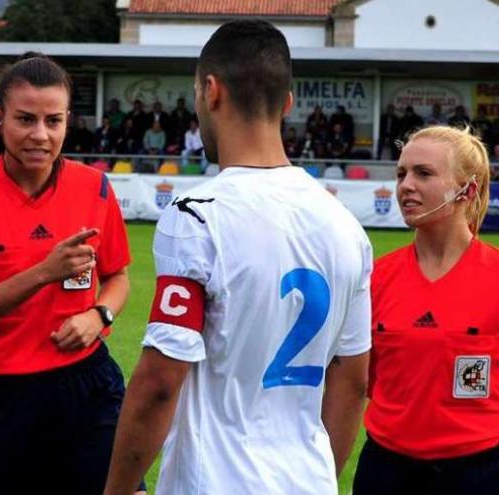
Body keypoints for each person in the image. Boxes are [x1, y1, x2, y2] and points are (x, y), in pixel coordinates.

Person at [104, 20, 372, 495]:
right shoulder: (347, 227)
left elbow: (161, 381)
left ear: (210, 91)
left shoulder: (197, 217)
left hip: (215, 481)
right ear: (288, 103)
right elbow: (352, 383)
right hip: (307, 482)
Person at [0, 53, 142, 495]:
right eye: (25, 119)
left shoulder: (95, 188)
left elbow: (118, 277)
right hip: (1, 397)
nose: (40, 135)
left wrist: (99, 316)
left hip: (87, 385)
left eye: (53, 121)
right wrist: (43, 272)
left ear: (67, 122)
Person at [353, 125, 499, 494]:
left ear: (468, 189)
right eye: (401, 173)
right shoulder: (377, 278)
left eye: (424, 173)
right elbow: (359, 381)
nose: (406, 185)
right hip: (386, 470)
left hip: (478, 473)